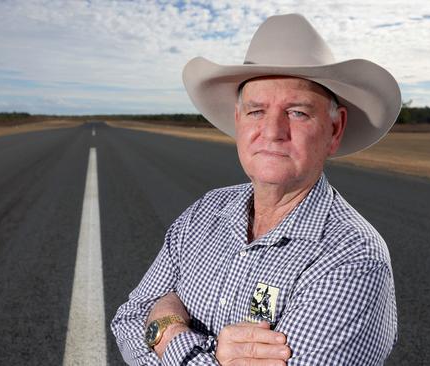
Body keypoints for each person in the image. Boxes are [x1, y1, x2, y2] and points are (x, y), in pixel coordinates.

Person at [112, 13, 400, 365]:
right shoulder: (205, 213)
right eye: (256, 111)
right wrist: (207, 350)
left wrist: (168, 332)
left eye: (297, 112)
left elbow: (146, 324)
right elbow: (128, 318)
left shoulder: (352, 258)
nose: (272, 131)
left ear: (334, 130)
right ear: (238, 122)